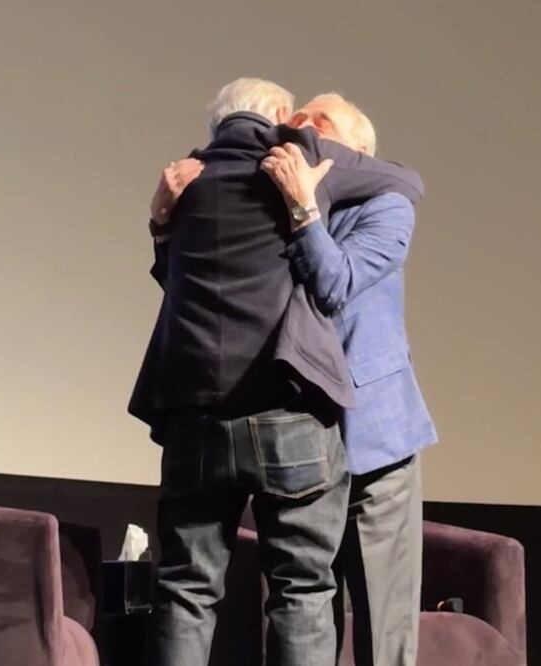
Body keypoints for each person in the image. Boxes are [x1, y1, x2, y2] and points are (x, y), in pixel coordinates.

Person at [129, 78, 424, 666]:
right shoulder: (269, 183)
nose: (300, 129)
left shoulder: (384, 204)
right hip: (292, 419)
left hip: (371, 434)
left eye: (321, 124)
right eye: (299, 118)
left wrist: (304, 209)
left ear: (357, 152)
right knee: (300, 594)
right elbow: (199, 280)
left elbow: (337, 283)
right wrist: (164, 224)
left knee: (378, 625)